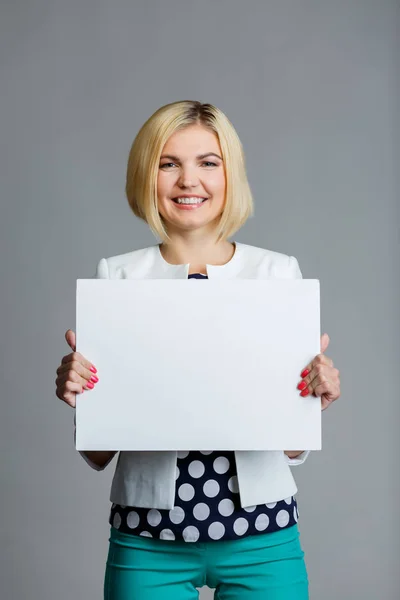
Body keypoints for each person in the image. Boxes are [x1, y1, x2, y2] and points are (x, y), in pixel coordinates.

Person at [55, 100, 341, 599]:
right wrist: (84, 399)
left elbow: (292, 447)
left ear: (231, 175)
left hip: (264, 536)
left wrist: (313, 399)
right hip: (146, 538)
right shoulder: (117, 277)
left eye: (208, 162)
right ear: (148, 175)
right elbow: (99, 451)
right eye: (169, 163)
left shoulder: (277, 275)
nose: (189, 180)